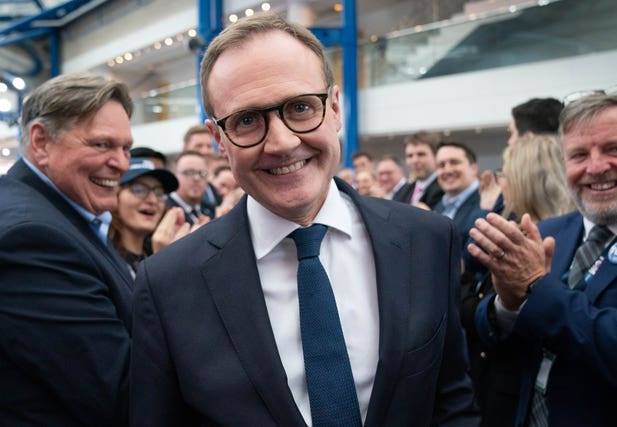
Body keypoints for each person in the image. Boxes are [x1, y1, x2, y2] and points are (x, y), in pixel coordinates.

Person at [131, 12, 478, 427]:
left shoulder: (427, 240)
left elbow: (451, 403)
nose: (281, 142)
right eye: (246, 120)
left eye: (300, 107)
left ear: (334, 108)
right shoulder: (168, 284)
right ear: (219, 140)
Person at [468, 89, 617, 426]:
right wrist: (507, 302)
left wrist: (537, 288)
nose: (597, 167)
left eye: (616, 149)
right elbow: (494, 336)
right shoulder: (547, 232)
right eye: (578, 155)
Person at [0, 73, 133, 425]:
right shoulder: (33, 238)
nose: (121, 163)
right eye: (102, 145)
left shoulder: (55, 216)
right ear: (41, 142)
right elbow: (122, 394)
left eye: (125, 148)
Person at [459, 134, 574, 427]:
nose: (500, 184)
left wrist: (467, 297)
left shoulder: (550, 243)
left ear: (524, 180)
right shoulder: (531, 234)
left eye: (504, 175)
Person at [108, 157, 180, 277]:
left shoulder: (154, 251)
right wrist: (162, 260)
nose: (153, 200)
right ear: (115, 195)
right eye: (139, 189)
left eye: (159, 193)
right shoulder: (105, 258)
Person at [433, 141, 487, 248]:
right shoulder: (438, 206)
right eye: (441, 165)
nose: (447, 170)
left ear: (473, 168)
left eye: (454, 162)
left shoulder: (487, 204)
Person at [165, 150, 215, 225]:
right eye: (189, 172)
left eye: (202, 173)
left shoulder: (211, 210)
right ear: (174, 175)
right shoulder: (164, 210)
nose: (197, 178)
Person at [395, 131, 444, 207]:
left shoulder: (445, 189)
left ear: (436, 156)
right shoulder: (404, 190)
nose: (415, 160)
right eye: (410, 156)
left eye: (421, 154)